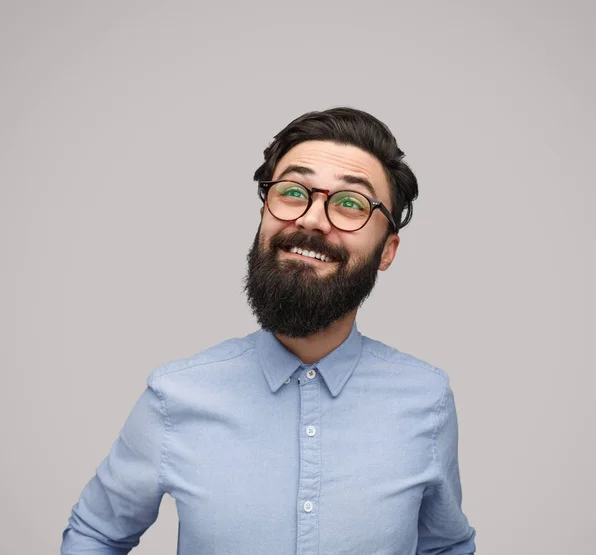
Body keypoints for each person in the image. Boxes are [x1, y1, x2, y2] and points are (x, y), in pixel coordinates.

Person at [61, 107, 477, 554]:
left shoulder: (426, 400)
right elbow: (96, 535)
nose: (313, 219)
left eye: (351, 203)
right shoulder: (174, 395)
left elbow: (446, 546)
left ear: (387, 251)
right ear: (264, 214)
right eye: (294, 191)